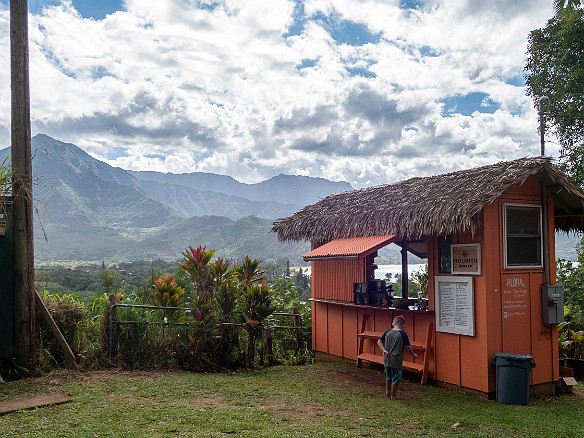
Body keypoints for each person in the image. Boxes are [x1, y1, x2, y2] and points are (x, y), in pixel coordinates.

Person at [377, 315, 417, 399]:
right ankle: (393, 395)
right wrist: (413, 354)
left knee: (388, 376)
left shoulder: (387, 332)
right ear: (402, 325)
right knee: (396, 378)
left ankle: (387, 392)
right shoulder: (402, 334)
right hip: (396, 360)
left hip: (387, 358)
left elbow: (379, 341)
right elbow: (408, 346)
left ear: (393, 324)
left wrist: (383, 349)